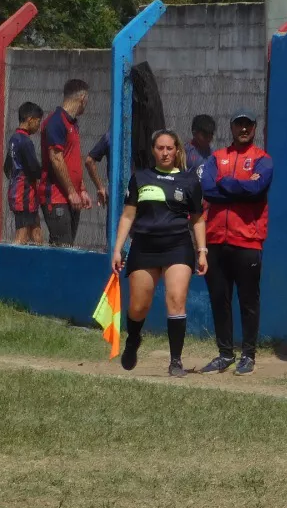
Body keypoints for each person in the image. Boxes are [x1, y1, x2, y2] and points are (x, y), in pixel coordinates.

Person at [111, 130, 208, 378]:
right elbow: (128, 215)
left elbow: (197, 220)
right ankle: (133, 339)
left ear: (177, 151)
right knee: (138, 307)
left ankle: (175, 360)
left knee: (176, 299)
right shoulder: (140, 178)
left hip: (178, 246)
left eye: (169, 148)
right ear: (153, 150)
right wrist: (118, 248)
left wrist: (202, 251)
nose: (165, 153)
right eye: (160, 148)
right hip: (144, 247)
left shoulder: (189, 182)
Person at [199, 108, 273, 376]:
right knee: (220, 299)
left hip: (248, 241)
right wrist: (239, 188)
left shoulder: (263, 160)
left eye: (248, 125)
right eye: (239, 124)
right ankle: (224, 354)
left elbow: (257, 190)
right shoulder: (217, 158)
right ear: (230, 127)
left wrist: (226, 184)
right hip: (216, 240)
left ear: (254, 128)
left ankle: (249, 355)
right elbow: (207, 189)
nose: (243, 129)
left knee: (248, 301)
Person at [41, 79, 105, 247]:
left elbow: (73, 160)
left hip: (72, 197)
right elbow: (56, 158)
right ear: (82, 98)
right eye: (87, 100)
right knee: (63, 248)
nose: (87, 104)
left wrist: (81, 189)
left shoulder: (73, 124)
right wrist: (71, 191)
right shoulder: (56, 121)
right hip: (56, 197)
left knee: (68, 246)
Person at [4, 101, 44, 245]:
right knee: (22, 235)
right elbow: (34, 168)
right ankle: (12, 263)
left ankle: (38, 261)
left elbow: (6, 167)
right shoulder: (25, 141)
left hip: (19, 193)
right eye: (38, 121)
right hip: (24, 195)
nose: (38, 126)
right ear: (29, 119)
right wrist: (44, 172)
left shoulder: (14, 139)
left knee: (36, 231)